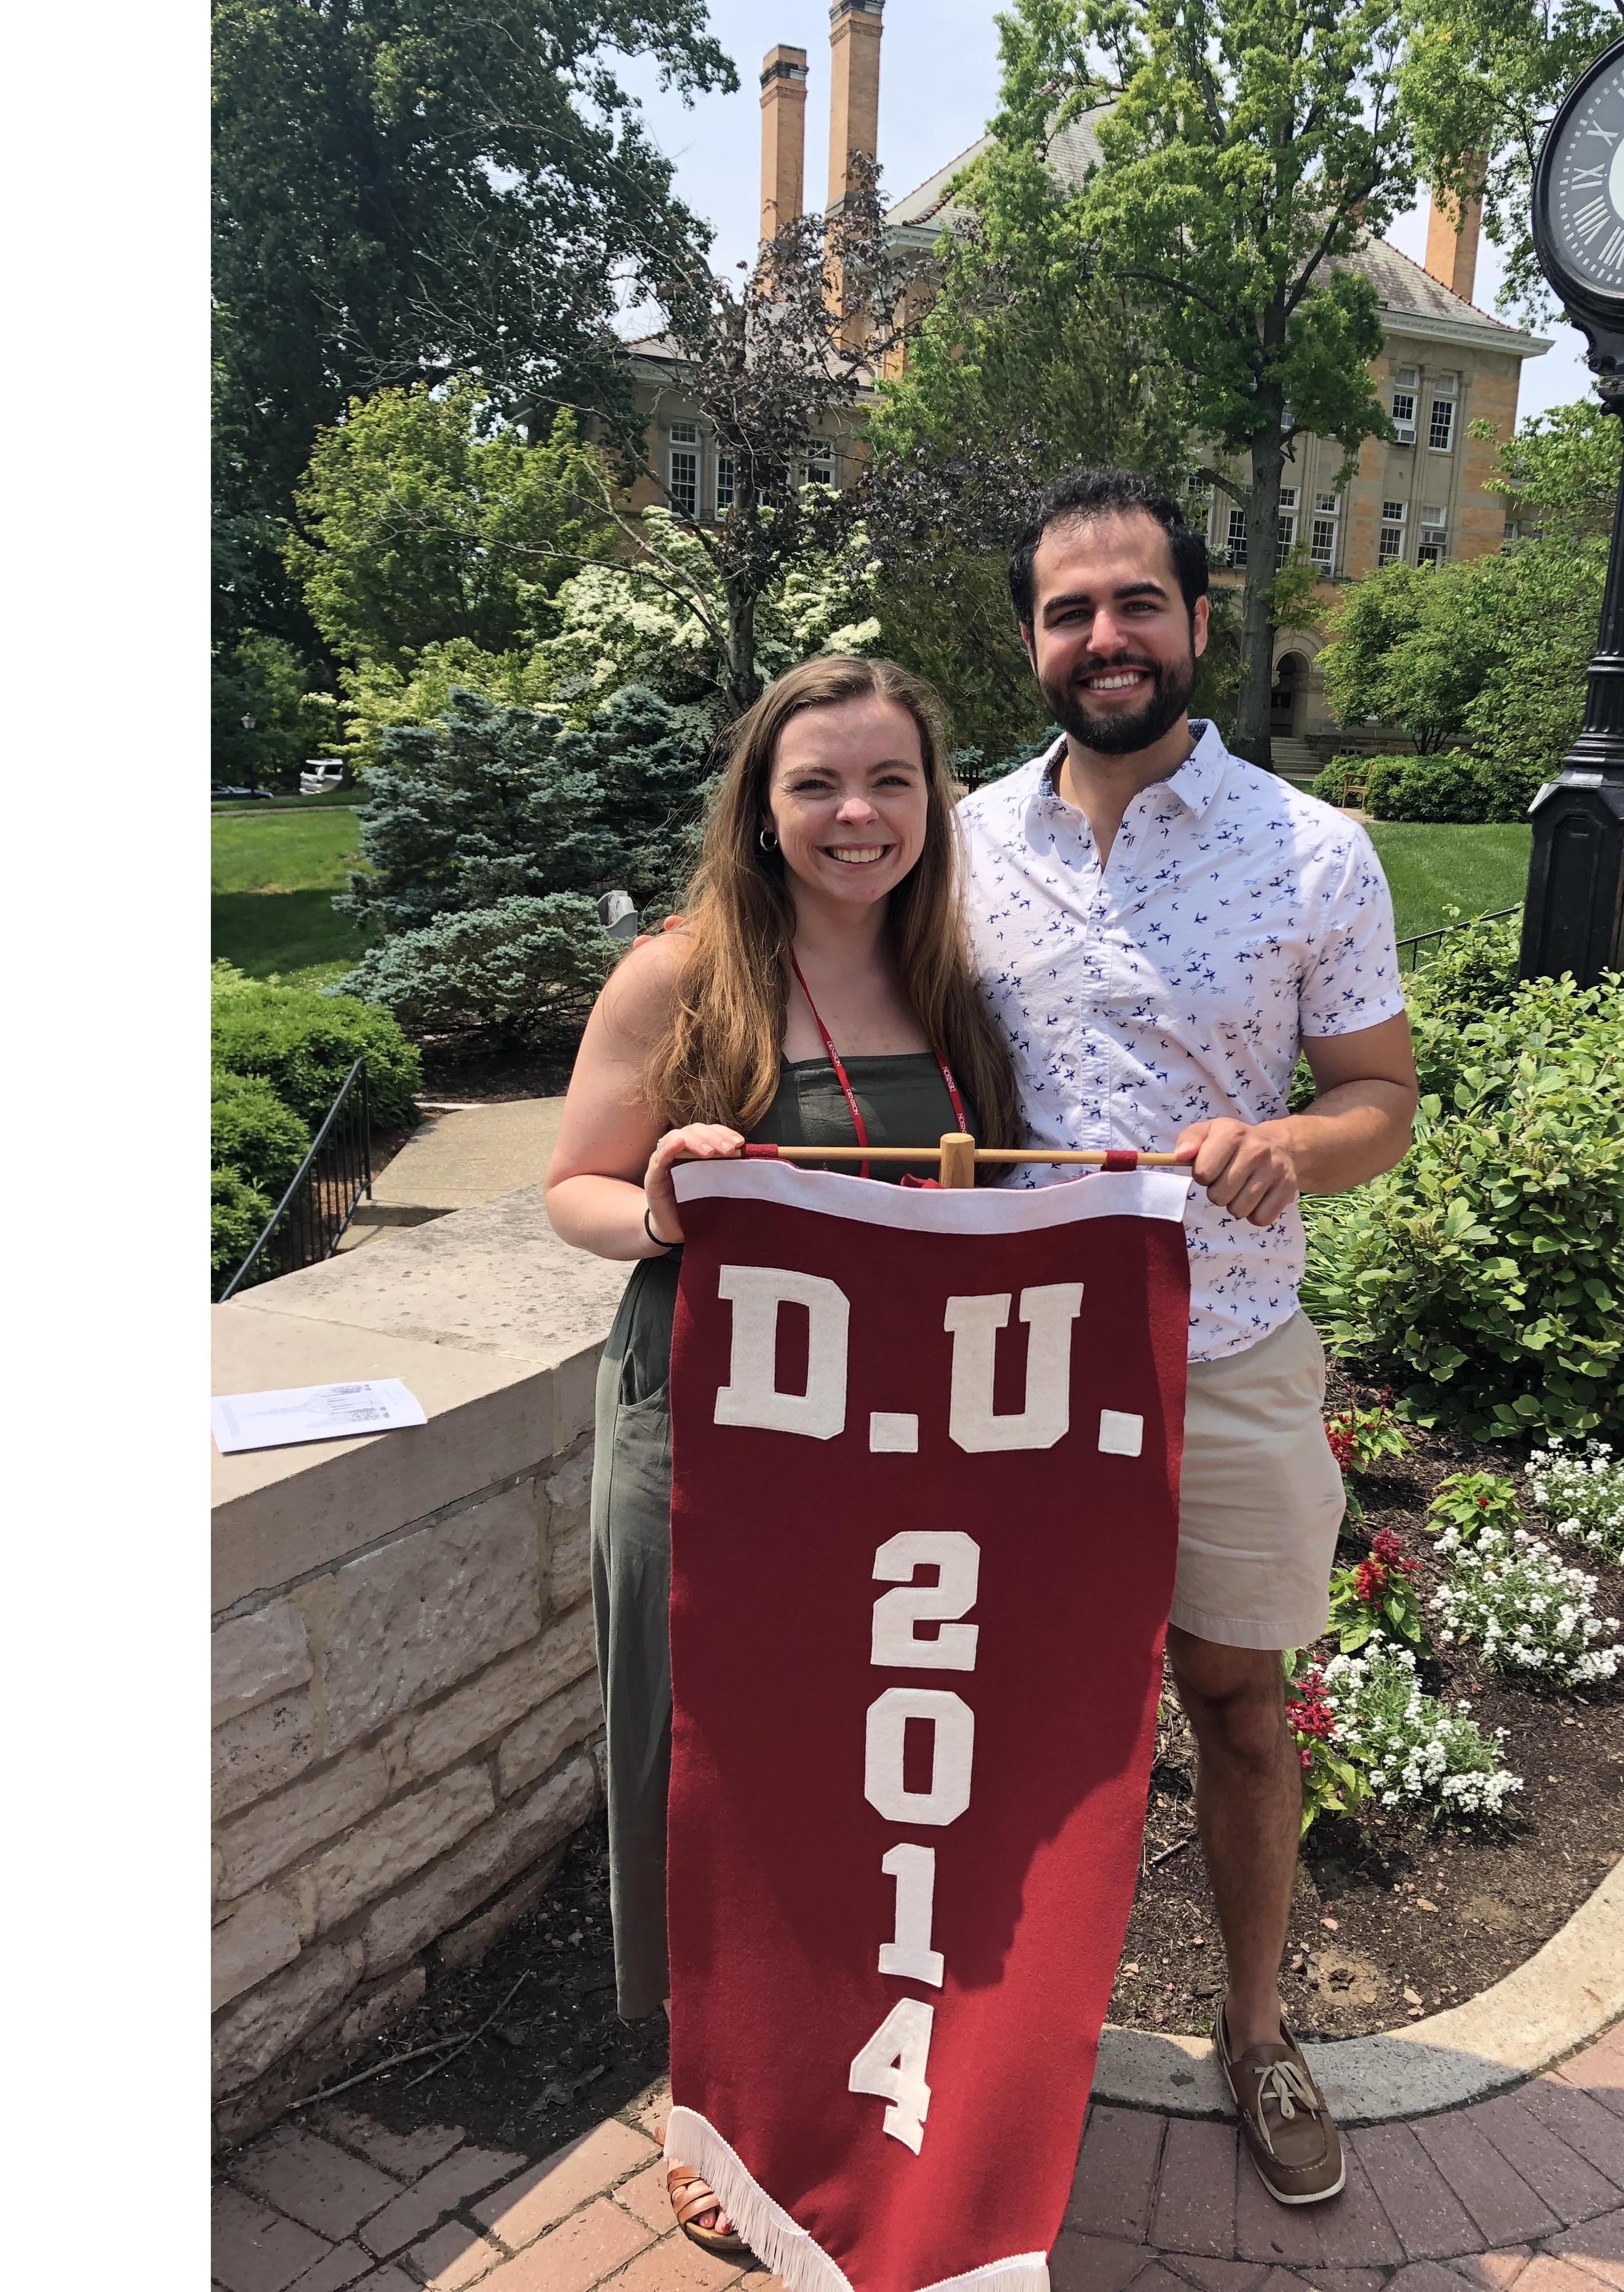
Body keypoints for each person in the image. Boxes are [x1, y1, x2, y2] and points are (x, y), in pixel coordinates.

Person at [957, 467, 1420, 2206]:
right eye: (1070, 610)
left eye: (1137, 602)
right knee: (1008, 1726)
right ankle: (1010, 2040)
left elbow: (1381, 1101)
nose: (1105, 637)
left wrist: (1284, 1148)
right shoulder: (965, 840)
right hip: (1004, 1371)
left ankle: (1252, 2029)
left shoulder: (1313, 852)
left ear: (1200, 621)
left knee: (1236, 1706)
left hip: (1224, 1353)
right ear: (1034, 641)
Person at [543, 654, 1021, 2252]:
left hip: (888, 1445)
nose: (856, 814)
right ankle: (711, 2099)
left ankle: (832, 2060)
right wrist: (669, 1195)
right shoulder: (681, 975)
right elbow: (576, 1194)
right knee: (709, 1772)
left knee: (851, 1768)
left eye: (890, 781)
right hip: (705, 1433)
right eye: (816, 782)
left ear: (931, 805)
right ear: (761, 802)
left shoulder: (949, 977)